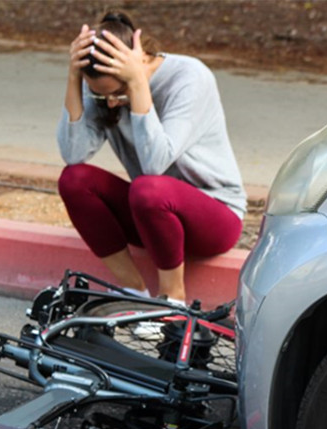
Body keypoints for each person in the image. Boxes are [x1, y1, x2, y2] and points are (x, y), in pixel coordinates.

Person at [57, 10, 246, 303]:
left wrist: (136, 87)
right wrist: (73, 78)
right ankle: (132, 291)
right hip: (151, 217)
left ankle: (171, 301)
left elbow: (155, 163)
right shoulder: (101, 84)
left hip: (214, 217)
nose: (109, 102)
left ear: (142, 56)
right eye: (100, 95)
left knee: (148, 187)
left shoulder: (189, 78)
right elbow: (73, 153)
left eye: (117, 92)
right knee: (74, 180)